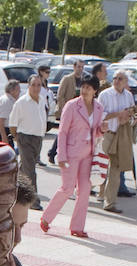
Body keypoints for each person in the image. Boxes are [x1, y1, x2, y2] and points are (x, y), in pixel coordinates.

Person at [40, 75, 104, 238]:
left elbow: (94, 131)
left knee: (84, 190)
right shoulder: (72, 105)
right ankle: (46, 217)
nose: (84, 90)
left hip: (88, 154)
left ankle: (77, 227)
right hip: (70, 154)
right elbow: (62, 132)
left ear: (95, 91)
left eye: (88, 88)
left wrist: (102, 129)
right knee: (67, 188)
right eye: (83, 87)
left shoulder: (98, 108)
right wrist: (61, 155)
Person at [97, 70, 137, 212]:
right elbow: (99, 115)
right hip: (106, 134)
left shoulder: (128, 96)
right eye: (115, 78)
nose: (117, 81)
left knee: (115, 169)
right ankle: (83, 190)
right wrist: (117, 115)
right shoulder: (105, 95)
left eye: (120, 79)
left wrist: (129, 118)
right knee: (99, 166)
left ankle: (110, 203)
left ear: (126, 82)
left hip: (120, 134)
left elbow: (133, 115)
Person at [9, 76, 47, 209]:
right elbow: (12, 123)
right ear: (28, 86)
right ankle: (33, 202)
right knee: (30, 170)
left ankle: (12, 191)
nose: (36, 88)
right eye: (34, 85)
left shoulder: (42, 100)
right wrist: (17, 138)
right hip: (25, 137)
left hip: (38, 138)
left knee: (23, 169)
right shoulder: (21, 102)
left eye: (39, 85)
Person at [49, 59, 85, 164]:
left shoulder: (83, 80)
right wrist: (65, 110)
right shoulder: (67, 79)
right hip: (67, 111)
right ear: (74, 67)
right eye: (78, 67)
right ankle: (52, 153)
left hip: (79, 112)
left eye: (82, 67)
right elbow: (60, 96)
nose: (80, 69)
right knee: (63, 133)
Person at [0, 79, 20, 147]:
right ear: (12, 91)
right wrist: (4, 137)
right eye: (18, 89)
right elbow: (1, 121)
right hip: (3, 131)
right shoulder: (7, 101)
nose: (20, 91)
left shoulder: (10, 100)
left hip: (8, 131)